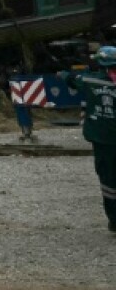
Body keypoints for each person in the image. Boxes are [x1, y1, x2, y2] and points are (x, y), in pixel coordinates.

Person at [60, 46, 116, 234]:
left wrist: (62, 74)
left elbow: (71, 79)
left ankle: (114, 220)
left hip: (102, 140)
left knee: (108, 181)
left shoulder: (90, 80)